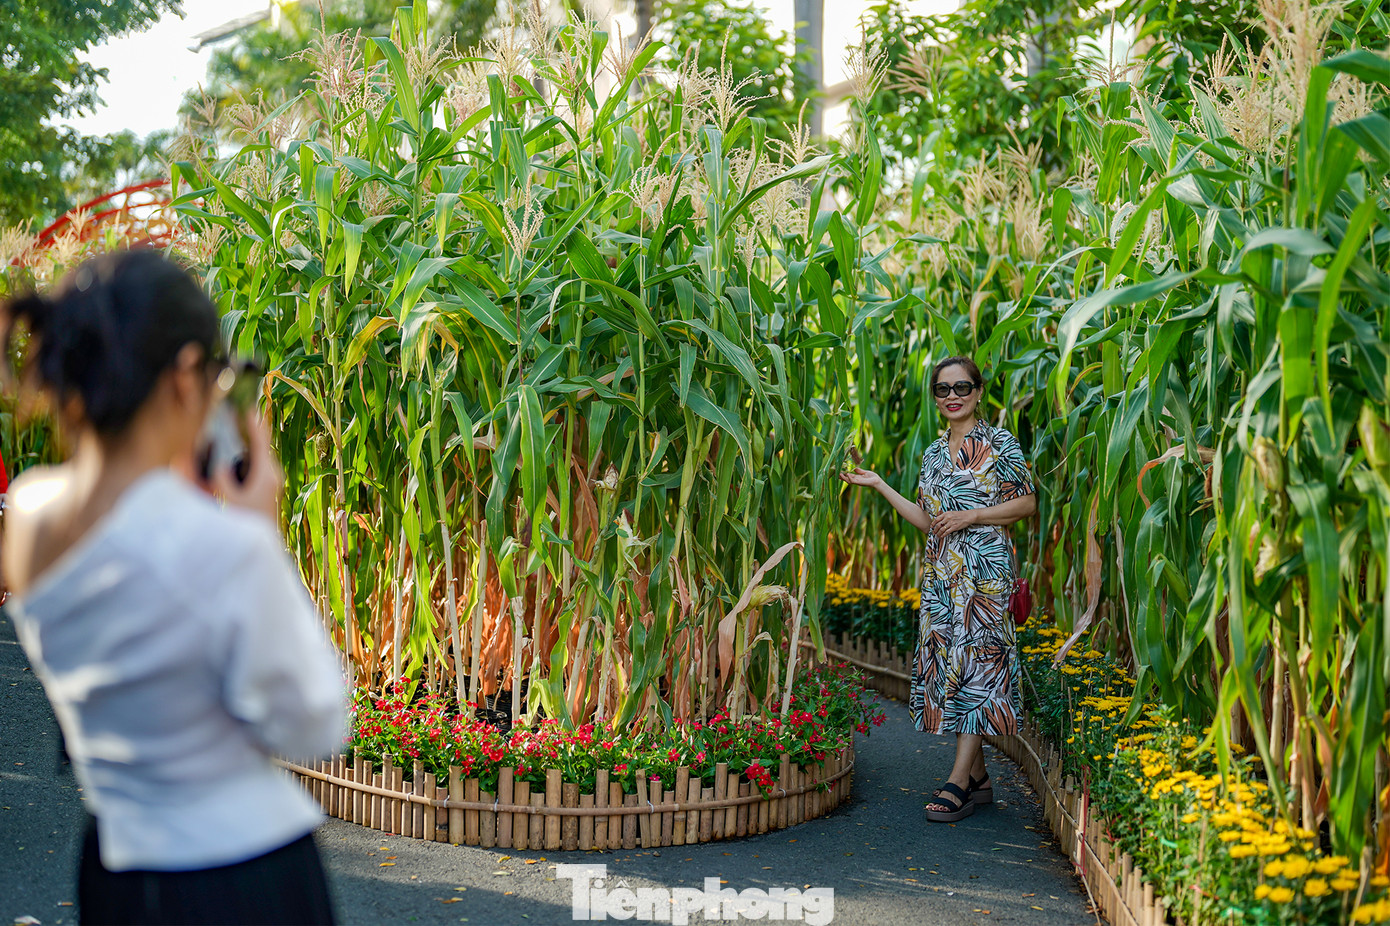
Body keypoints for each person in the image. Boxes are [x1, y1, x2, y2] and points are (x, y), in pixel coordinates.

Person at [0, 249, 346, 924]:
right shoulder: (226, 548)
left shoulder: (32, 518)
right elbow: (315, 723)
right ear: (187, 373)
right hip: (244, 878)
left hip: (116, 870)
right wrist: (263, 535)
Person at [840, 355, 1036, 822]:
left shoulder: (1000, 444)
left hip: (985, 578)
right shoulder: (931, 453)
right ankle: (981, 779)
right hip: (943, 581)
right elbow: (929, 521)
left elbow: (1027, 503)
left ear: (979, 392)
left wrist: (973, 515)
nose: (952, 397)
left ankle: (958, 783)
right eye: (942, 390)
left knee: (979, 673)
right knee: (954, 670)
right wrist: (881, 484)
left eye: (961, 387)